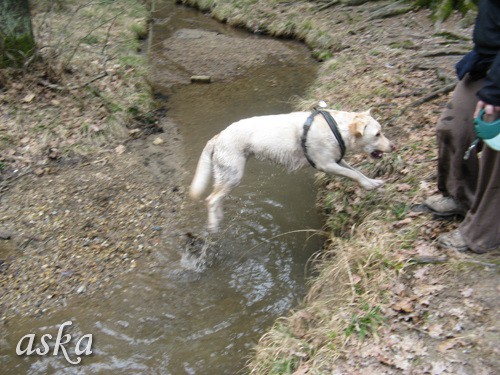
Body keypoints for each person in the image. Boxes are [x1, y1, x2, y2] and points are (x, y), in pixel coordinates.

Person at [424, 0, 499, 253]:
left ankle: (482, 233)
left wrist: (494, 93)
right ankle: (461, 194)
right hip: (488, 63)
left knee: (495, 148)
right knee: (454, 125)